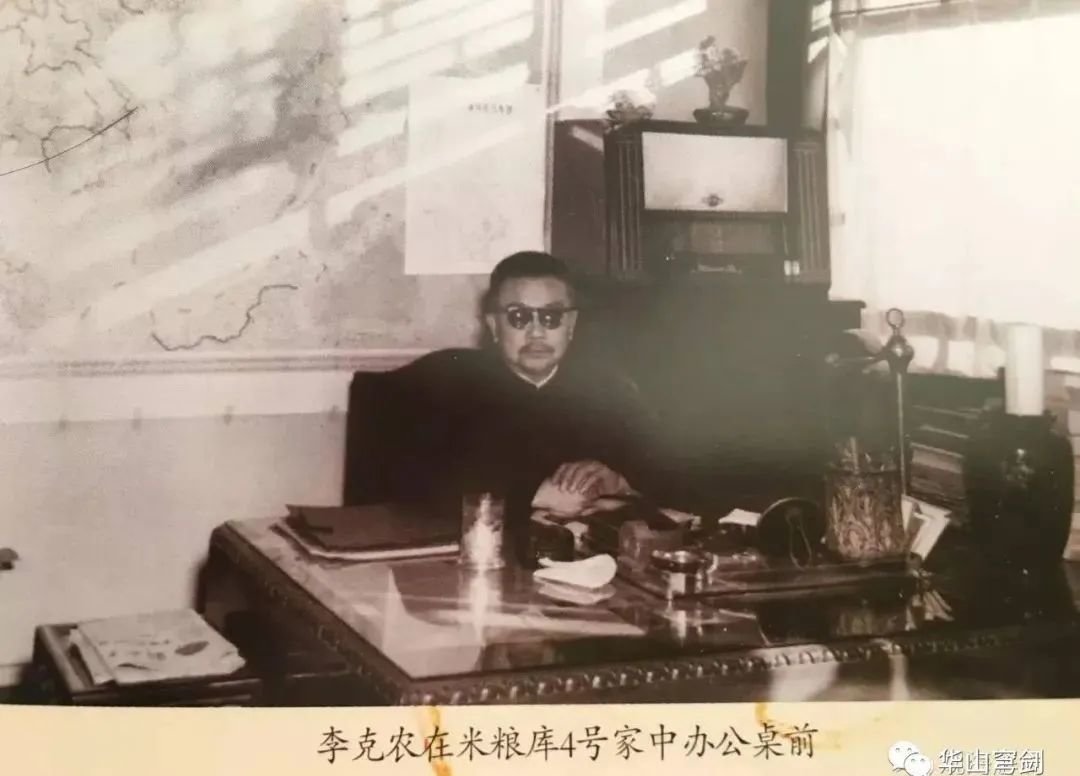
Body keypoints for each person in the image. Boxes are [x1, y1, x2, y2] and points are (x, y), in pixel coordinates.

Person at [433, 251, 659, 560]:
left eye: (551, 317)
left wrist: (621, 482)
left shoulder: (610, 391)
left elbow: (668, 471)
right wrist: (533, 495)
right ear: (494, 325)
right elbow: (426, 484)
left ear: (571, 324)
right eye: (519, 317)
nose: (537, 332)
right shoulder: (451, 388)